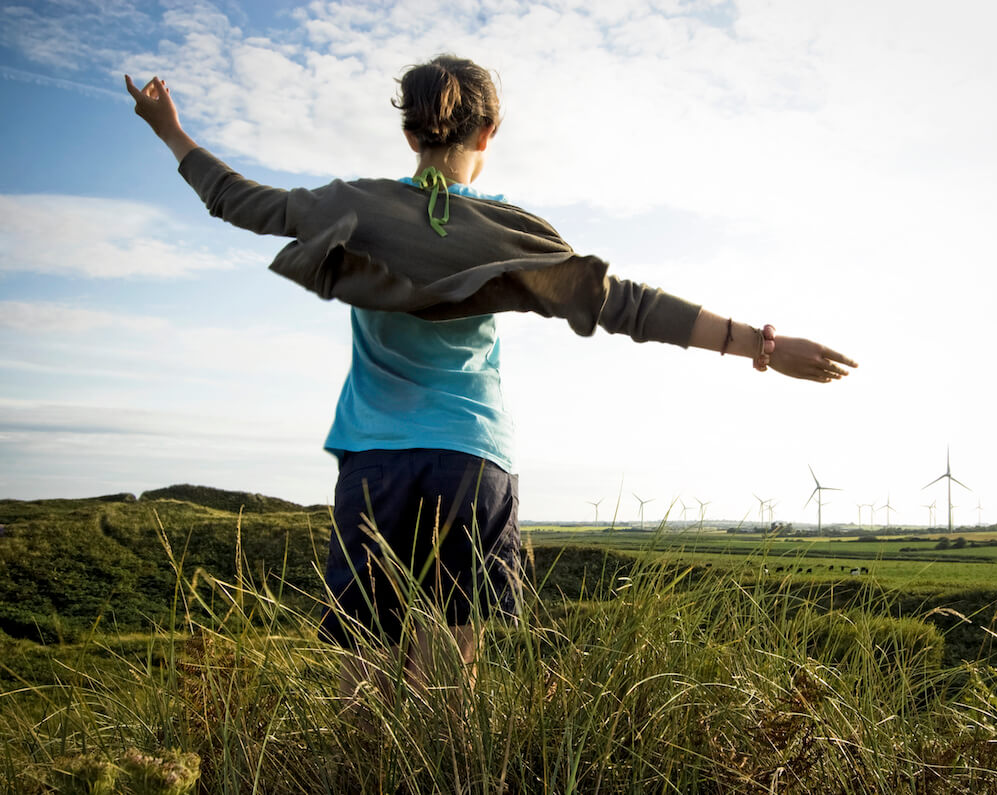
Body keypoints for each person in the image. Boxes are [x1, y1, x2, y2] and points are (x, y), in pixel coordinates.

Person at [124, 55, 856, 711]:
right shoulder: (509, 229)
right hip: (473, 463)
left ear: (410, 134)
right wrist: (759, 344)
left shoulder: (352, 204)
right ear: (491, 131)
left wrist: (169, 129)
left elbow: (233, 198)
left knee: (362, 696)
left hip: (376, 463)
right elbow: (627, 304)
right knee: (446, 695)